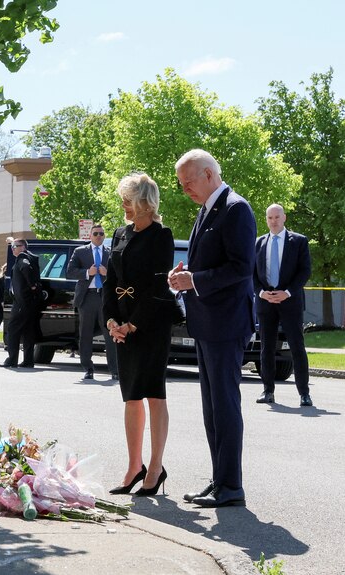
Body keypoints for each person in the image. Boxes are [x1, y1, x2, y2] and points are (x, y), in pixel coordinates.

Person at [169, 149, 256, 508]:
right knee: (212, 408)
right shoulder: (208, 210)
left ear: (208, 174)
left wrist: (196, 280)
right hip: (207, 322)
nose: (184, 189)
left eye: (187, 181)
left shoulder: (236, 209)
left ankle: (231, 485)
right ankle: (219, 479)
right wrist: (183, 276)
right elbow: (209, 261)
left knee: (224, 405)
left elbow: (240, 267)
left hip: (226, 322)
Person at [103, 174, 175, 497]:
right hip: (122, 326)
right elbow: (109, 282)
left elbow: (158, 287)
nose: (123, 206)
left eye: (128, 199)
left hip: (150, 326)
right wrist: (111, 322)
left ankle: (156, 468)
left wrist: (132, 325)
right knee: (131, 395)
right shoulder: (120, 233)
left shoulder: (162, 236)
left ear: (144, 202)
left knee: (153, 394)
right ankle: (135, 466)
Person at [254, 204, 313, 407]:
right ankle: (267, 391)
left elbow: (305, 271)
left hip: (290, 301)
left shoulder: (298, 241)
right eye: (270, 217)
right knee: (266, 348)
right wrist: (262, 293)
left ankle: (304, 393)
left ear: (284, 217)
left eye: (277, 217)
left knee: (297, 346)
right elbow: (251, 274)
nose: (274, 221)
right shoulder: (259, 243)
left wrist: (287, 292)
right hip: (266, 302)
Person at [68, 224, 119, 380]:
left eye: (101, 234)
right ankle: (88, 368)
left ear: (104, 236)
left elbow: (119, 274)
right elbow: (69, 272)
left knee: (110, 333)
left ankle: (115, 370)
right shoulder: (80, 252)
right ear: (90, 236)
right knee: (86, 334)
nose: (98, 236)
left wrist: (107, 272)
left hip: (105, 298)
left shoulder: (111, 253)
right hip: (87, 297)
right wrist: (86, 273)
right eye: (95, 233)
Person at [0, 238, 40, 369]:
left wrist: (32, 285)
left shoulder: (23, 259)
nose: (12, 249)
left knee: (13, 330)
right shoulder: (28, 257)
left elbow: (26, 268)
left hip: (22, 302)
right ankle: (28, 361)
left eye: (14, 246)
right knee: (28, 332)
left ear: (22, 247)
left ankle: (12, 359)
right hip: (28, 302)